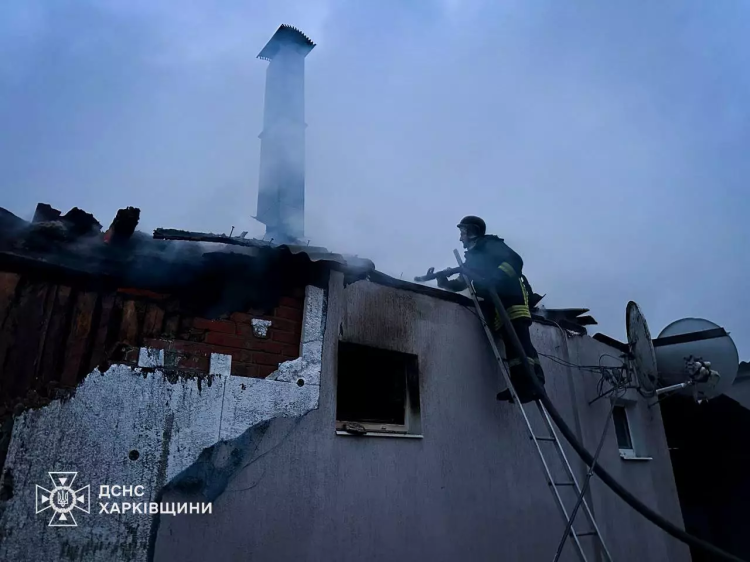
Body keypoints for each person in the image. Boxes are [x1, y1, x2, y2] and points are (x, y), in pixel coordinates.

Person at [436, 215, 546, 403]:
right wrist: (444, 282)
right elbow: (462, 282)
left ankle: (530, 385)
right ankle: (523, 384)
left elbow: (514, 261)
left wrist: (494, 279)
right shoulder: (473, 258)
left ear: (472, 232)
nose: (460, 238)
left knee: (519, 341)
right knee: (512, 344)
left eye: (462, 233)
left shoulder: (490, 245)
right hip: (498, 305)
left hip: (512, 299)